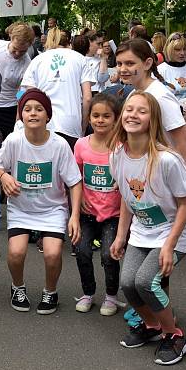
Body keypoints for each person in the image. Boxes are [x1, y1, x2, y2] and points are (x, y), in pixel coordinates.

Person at [109, 91, 186, 366]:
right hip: (144, 227)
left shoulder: (167, 160)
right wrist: (120, 236)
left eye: (141, 111)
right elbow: (128, 198)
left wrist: (169, 245)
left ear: (153, 119)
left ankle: (175, 335)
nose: (133, 115)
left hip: (177, 229)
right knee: (127, 282)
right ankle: (152, 326)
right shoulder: (117, 155)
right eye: (129, 109)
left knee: (146, 281)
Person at [0, 89, 82, 314]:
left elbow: (74, 182)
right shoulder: (14, 141)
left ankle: (50, 291)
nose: (33, 113)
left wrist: (74, 216)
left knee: (53, 254)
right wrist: (4, 177)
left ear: (48, 116)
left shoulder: (60, 144)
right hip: (21, 207)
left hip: (52, 208)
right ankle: (18, 287)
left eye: (39, 109)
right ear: (21, 115)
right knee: (16, 252)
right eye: (27, 109)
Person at [72, 93, 123, 315]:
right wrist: (79, 198)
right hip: (87, 211)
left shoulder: (122, 147)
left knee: (108, 254)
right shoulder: (81, 145)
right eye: (95, 115)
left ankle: (111, 296)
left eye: (106, 116)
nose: (100, 120)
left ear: (116, 118)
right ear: (89, 118)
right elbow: (75, 176)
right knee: (82, 251)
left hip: (114, 214)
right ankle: (88, 293)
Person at [115, 39, 186, 169]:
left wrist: (183, 182)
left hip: (163, 174)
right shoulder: (134, 93)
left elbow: (184, 140)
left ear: (147, 64)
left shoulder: (160, 96)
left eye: (130, 63)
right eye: (119, 63)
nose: (123, 69)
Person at [21, 31, 95, 149]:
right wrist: (83, 126)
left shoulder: (37, 60)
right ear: (69, 42)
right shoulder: (81, 59)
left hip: (42, 122)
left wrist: (20, 123)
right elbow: (87, 98)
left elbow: (26, 95)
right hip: (71, 123)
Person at [0, 22, 35, 141]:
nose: (17, 54)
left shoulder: (27, 64)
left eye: (22, 51)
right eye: (15, 49)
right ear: (11, 38)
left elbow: (22, 91)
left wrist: (18, 117)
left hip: (10, 108)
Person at [157, 33, 186, 100]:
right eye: (178, 49)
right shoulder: (160, 70)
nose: (182, 53)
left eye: (185, 49)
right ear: (169, 50)